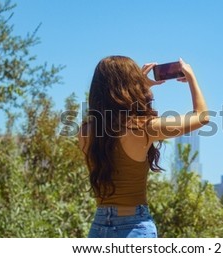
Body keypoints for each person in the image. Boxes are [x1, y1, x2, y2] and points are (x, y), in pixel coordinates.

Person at [78, 56, 209, 238]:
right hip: (134, 227)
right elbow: (202, 116)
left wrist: (141, 87)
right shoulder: (143, 129)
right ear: (129, 86)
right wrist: (191, 77)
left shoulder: (85, 131)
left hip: (99, 227)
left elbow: (114, 126)